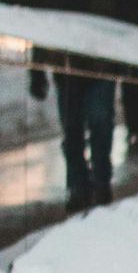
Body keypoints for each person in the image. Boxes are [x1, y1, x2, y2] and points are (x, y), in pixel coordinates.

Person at [55, 69, 116, 210]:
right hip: (67, 71)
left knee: (99, 125)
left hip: (98, 67)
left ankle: (99, 183)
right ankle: (81, 185)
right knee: (73, 130)